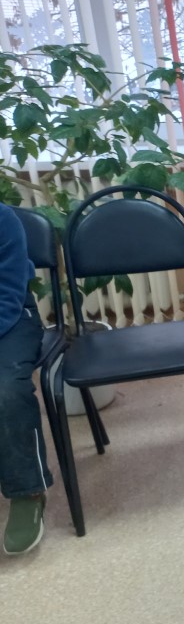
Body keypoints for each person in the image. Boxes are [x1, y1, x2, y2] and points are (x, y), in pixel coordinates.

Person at [0, 202, 52, 555]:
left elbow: (8, 296)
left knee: (6, 389)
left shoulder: (3, 219)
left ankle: (26, 491)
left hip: (11, 317)